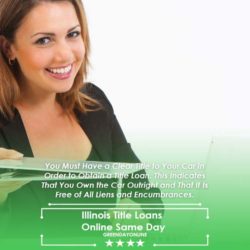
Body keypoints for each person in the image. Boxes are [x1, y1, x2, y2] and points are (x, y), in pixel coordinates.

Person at [0, 0, 163, 244]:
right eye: (44, 40)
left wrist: (137, 216)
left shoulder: (93, 104)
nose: (65, 54)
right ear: (8, 48)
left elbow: (150, 201)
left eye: (72, 34)